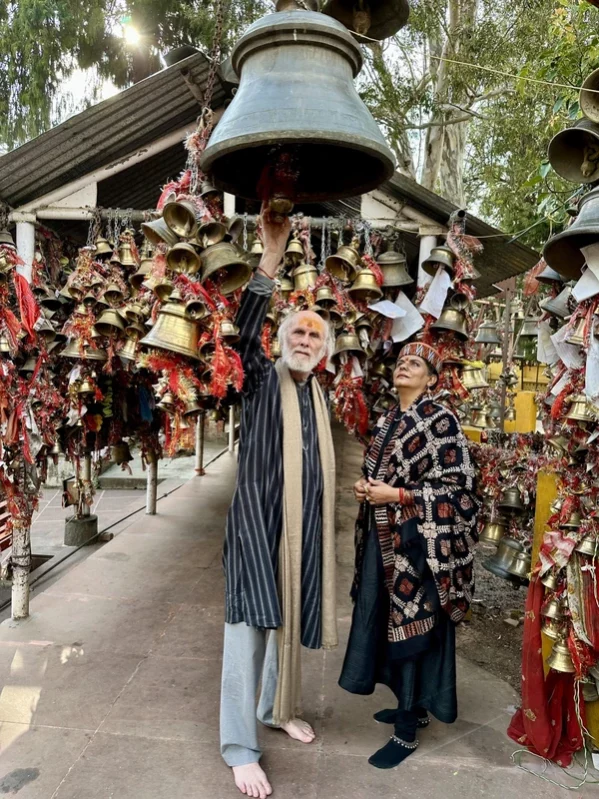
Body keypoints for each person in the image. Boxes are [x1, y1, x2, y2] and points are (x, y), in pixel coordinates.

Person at [220, 206, 338, 799]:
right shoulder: (262, 377)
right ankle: (240, 747)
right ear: (281, 338)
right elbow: (240, 333)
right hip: (253, 528)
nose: (305, 340)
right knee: (248, 628)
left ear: (323, 352)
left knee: (287, 622)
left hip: (298, 535)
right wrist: (270, 256)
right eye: (298, 330)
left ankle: (274, 706)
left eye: (315, 336)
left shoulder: (318, 398)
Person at [339, 342, 479, 769]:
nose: (404, 366)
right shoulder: (388, 420)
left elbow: (461, 494)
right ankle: (412, 707)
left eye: (415, 363)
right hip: (385, 544)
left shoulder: (442, 421)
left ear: (432, 379)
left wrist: (398, 495)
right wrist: (367, 489)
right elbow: (379, 476)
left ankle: (405, 734)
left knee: (412, 631)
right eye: (401, 361)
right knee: (386, 623)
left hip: (420, 551)